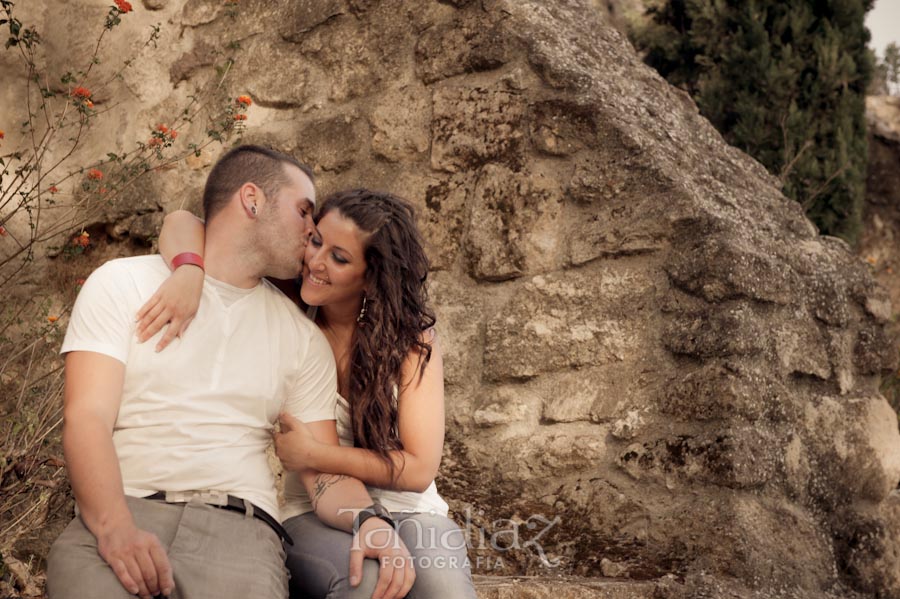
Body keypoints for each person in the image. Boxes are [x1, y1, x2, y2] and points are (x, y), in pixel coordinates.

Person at [47, 146, 415, 599]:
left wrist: (370, 520)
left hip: (239, 536)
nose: (311, 231)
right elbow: (86, 419)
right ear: (252, 200)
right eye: (304, 212)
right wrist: (114, 528)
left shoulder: (300, 337)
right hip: (122, 510)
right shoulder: (122, 284)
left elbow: (321, 471)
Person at [140, 189, 477, 598]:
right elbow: (181, 221)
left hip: (411, 510)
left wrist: (313, 454)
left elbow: (419, 470)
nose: (316, 262)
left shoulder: (410, 340)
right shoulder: (288, 305)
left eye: (339, 257)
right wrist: (189, 271)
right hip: (314, 511)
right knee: (363, 583)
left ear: (371, 277)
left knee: (444, 589)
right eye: (316, 240)